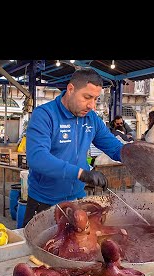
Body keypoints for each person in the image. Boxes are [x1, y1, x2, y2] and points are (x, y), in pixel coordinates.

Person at [23, 68, 124, 226]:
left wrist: (138, 157)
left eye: (96, 99)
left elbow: (115, 148)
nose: (92, 105)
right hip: (44, 203)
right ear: (70, 89)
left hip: (77, 200)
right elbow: (37, 157)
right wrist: (81, 173)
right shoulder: (44, 115)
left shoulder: (91, 119)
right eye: (87, 97)